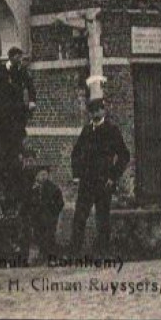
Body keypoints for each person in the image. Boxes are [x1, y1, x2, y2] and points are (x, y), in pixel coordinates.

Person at [70, 98, 130, 254]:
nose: (95, 113)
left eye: (98, 110)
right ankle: (74, 252)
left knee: (102, 218)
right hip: (87, 182)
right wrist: (77, 175)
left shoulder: (112, 130)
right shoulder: (86, 131)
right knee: (79, 217)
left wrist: (113, 177)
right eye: (92, 111)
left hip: (104, 182)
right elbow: (75, 153)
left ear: (104, 111)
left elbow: (124, 155)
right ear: (89, 113)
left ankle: (103, 253)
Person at [0, 47, 36, 159]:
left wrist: (31, 101)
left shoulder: (21, 71)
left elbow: (30, 86)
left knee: (17, 132)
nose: (20, 59)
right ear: (11, 57)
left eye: (20, 57)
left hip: (16, 108)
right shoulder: (0, 70)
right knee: (2, 131)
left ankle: (18, 152)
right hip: (3, 108)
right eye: (17, 56)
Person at [30, 166, 64, 260]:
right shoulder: (33, 189)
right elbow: (30, 203)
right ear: (37, 176)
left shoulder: (53, 188)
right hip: (37, 217)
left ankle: (49, 255)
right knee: (38, 235)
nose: (44, 177)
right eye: (41, 175)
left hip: (49, 217)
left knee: (49, 236)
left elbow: (60, 203)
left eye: (45, 174)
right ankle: (41, 254)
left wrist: (54, 212)